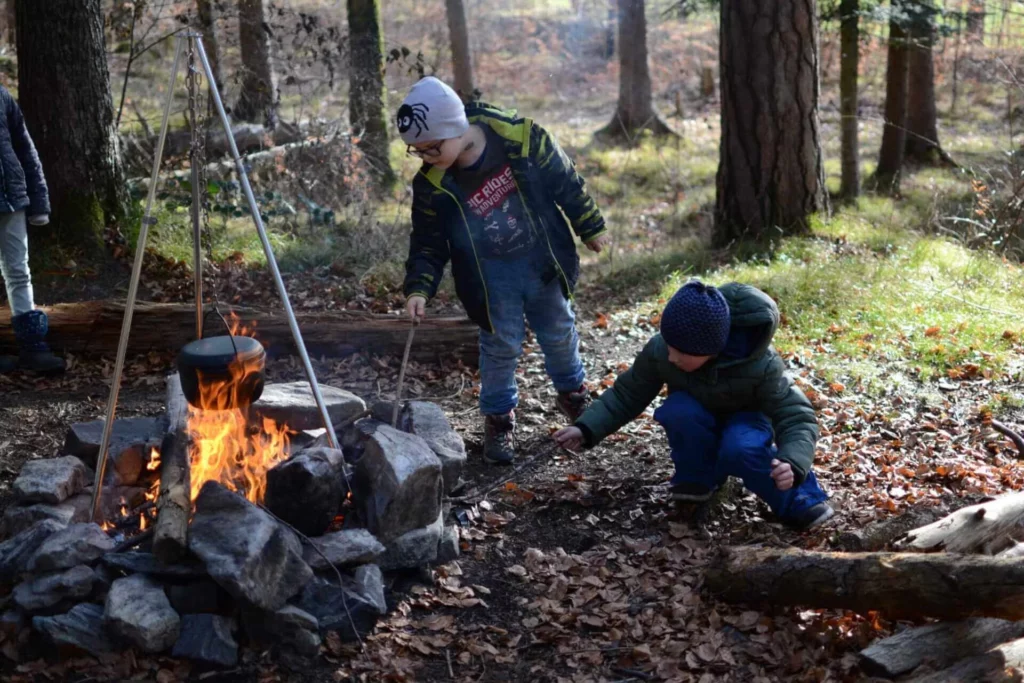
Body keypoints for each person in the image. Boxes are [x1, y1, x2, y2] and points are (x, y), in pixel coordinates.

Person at [398, 77, 607, 465]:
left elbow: (565, 180)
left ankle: (575, 396)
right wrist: (418, 289)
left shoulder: (521, 140)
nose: (425, 157)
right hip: (489, 277)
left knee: (559, 330)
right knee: (500, 346)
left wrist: (589, 224)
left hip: (541, 261)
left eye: (431, 147)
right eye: (418, 151)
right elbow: (427, 241)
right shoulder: (432, 184)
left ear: (453, 128)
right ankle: (498, 420)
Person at [554, 280, 833, 530]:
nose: (672, 356)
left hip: (746, 418)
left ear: (712, 350)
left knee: (741, 447)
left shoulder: (762, 364)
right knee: (677, 411)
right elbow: (627, 394)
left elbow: (796, 415)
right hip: (698, 414)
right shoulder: (663, 350)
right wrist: (586, 427)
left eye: (681, 352)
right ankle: (698, 476)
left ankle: (799, 499)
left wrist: (793, 462)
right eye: (669, 346)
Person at [0, 84, 64, 374]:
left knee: (18, 270)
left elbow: (24, 147)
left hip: (11, 199)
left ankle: (33, 347)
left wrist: (39, 202)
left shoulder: (1, 95)